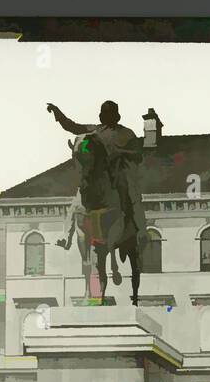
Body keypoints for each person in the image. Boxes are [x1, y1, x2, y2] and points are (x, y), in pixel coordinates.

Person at [46, 101, 148, 264]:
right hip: (98, 176)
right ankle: (66, 236)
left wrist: (119, 152)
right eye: (105, 115)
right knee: (78, 199)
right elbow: (73, 127)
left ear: (116, 116)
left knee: (132, 195)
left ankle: (141, 232)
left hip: (118, 173)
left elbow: (138, 155)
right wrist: (58, 114)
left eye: (109, 115)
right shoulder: (95, 130)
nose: (107, 118)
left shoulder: (127, 134)